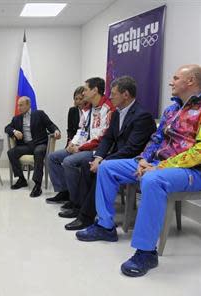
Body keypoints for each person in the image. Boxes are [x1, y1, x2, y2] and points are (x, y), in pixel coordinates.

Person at [76, 64, 201, 277]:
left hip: (190, 170)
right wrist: (144, 159)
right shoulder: (171, 109)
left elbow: (199, 151)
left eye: (176, 77)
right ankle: (106, 226)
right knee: (106, 167)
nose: (171, 81)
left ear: (190, 81)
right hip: (156, 163)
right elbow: (156, 138)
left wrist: (158, 166)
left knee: (153, 180)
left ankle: (146, 252)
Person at [64, 76, 156, 230]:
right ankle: (83, 209)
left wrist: (102, 161)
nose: (110, 96)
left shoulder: (142, 116)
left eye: (113, 93)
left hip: (135, 160)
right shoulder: (118, 113)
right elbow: (108, 138)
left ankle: (86, 217)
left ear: (125, 95)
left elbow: (132, 149)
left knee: (99, 168)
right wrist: (99, 157)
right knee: (89, 165)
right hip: (118, 156)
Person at [46, 77, 115, 216]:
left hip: (97, 150)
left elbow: (102, 137)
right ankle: (65, 192)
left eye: (85, 89)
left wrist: (80, 148)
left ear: (95, 91)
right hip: (83, 146)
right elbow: (81, 130)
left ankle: (77, 201)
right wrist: (73, 143)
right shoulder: (88, 109)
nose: (83, 93)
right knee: (52, 157)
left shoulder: (108, 108)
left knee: (69, 162)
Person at [5, 96, 61, 197]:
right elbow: (7, 128)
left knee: (38, 152)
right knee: (11, 153)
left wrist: (56, 131)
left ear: (28, 105)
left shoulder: (39, 114)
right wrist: (14, 131)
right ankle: (21, 179)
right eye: (18, 105)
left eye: (21, 105)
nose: (19, 107)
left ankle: (37, 185)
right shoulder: (16, 118)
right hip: (26, 145)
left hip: (40, 144)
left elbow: (50, 125)